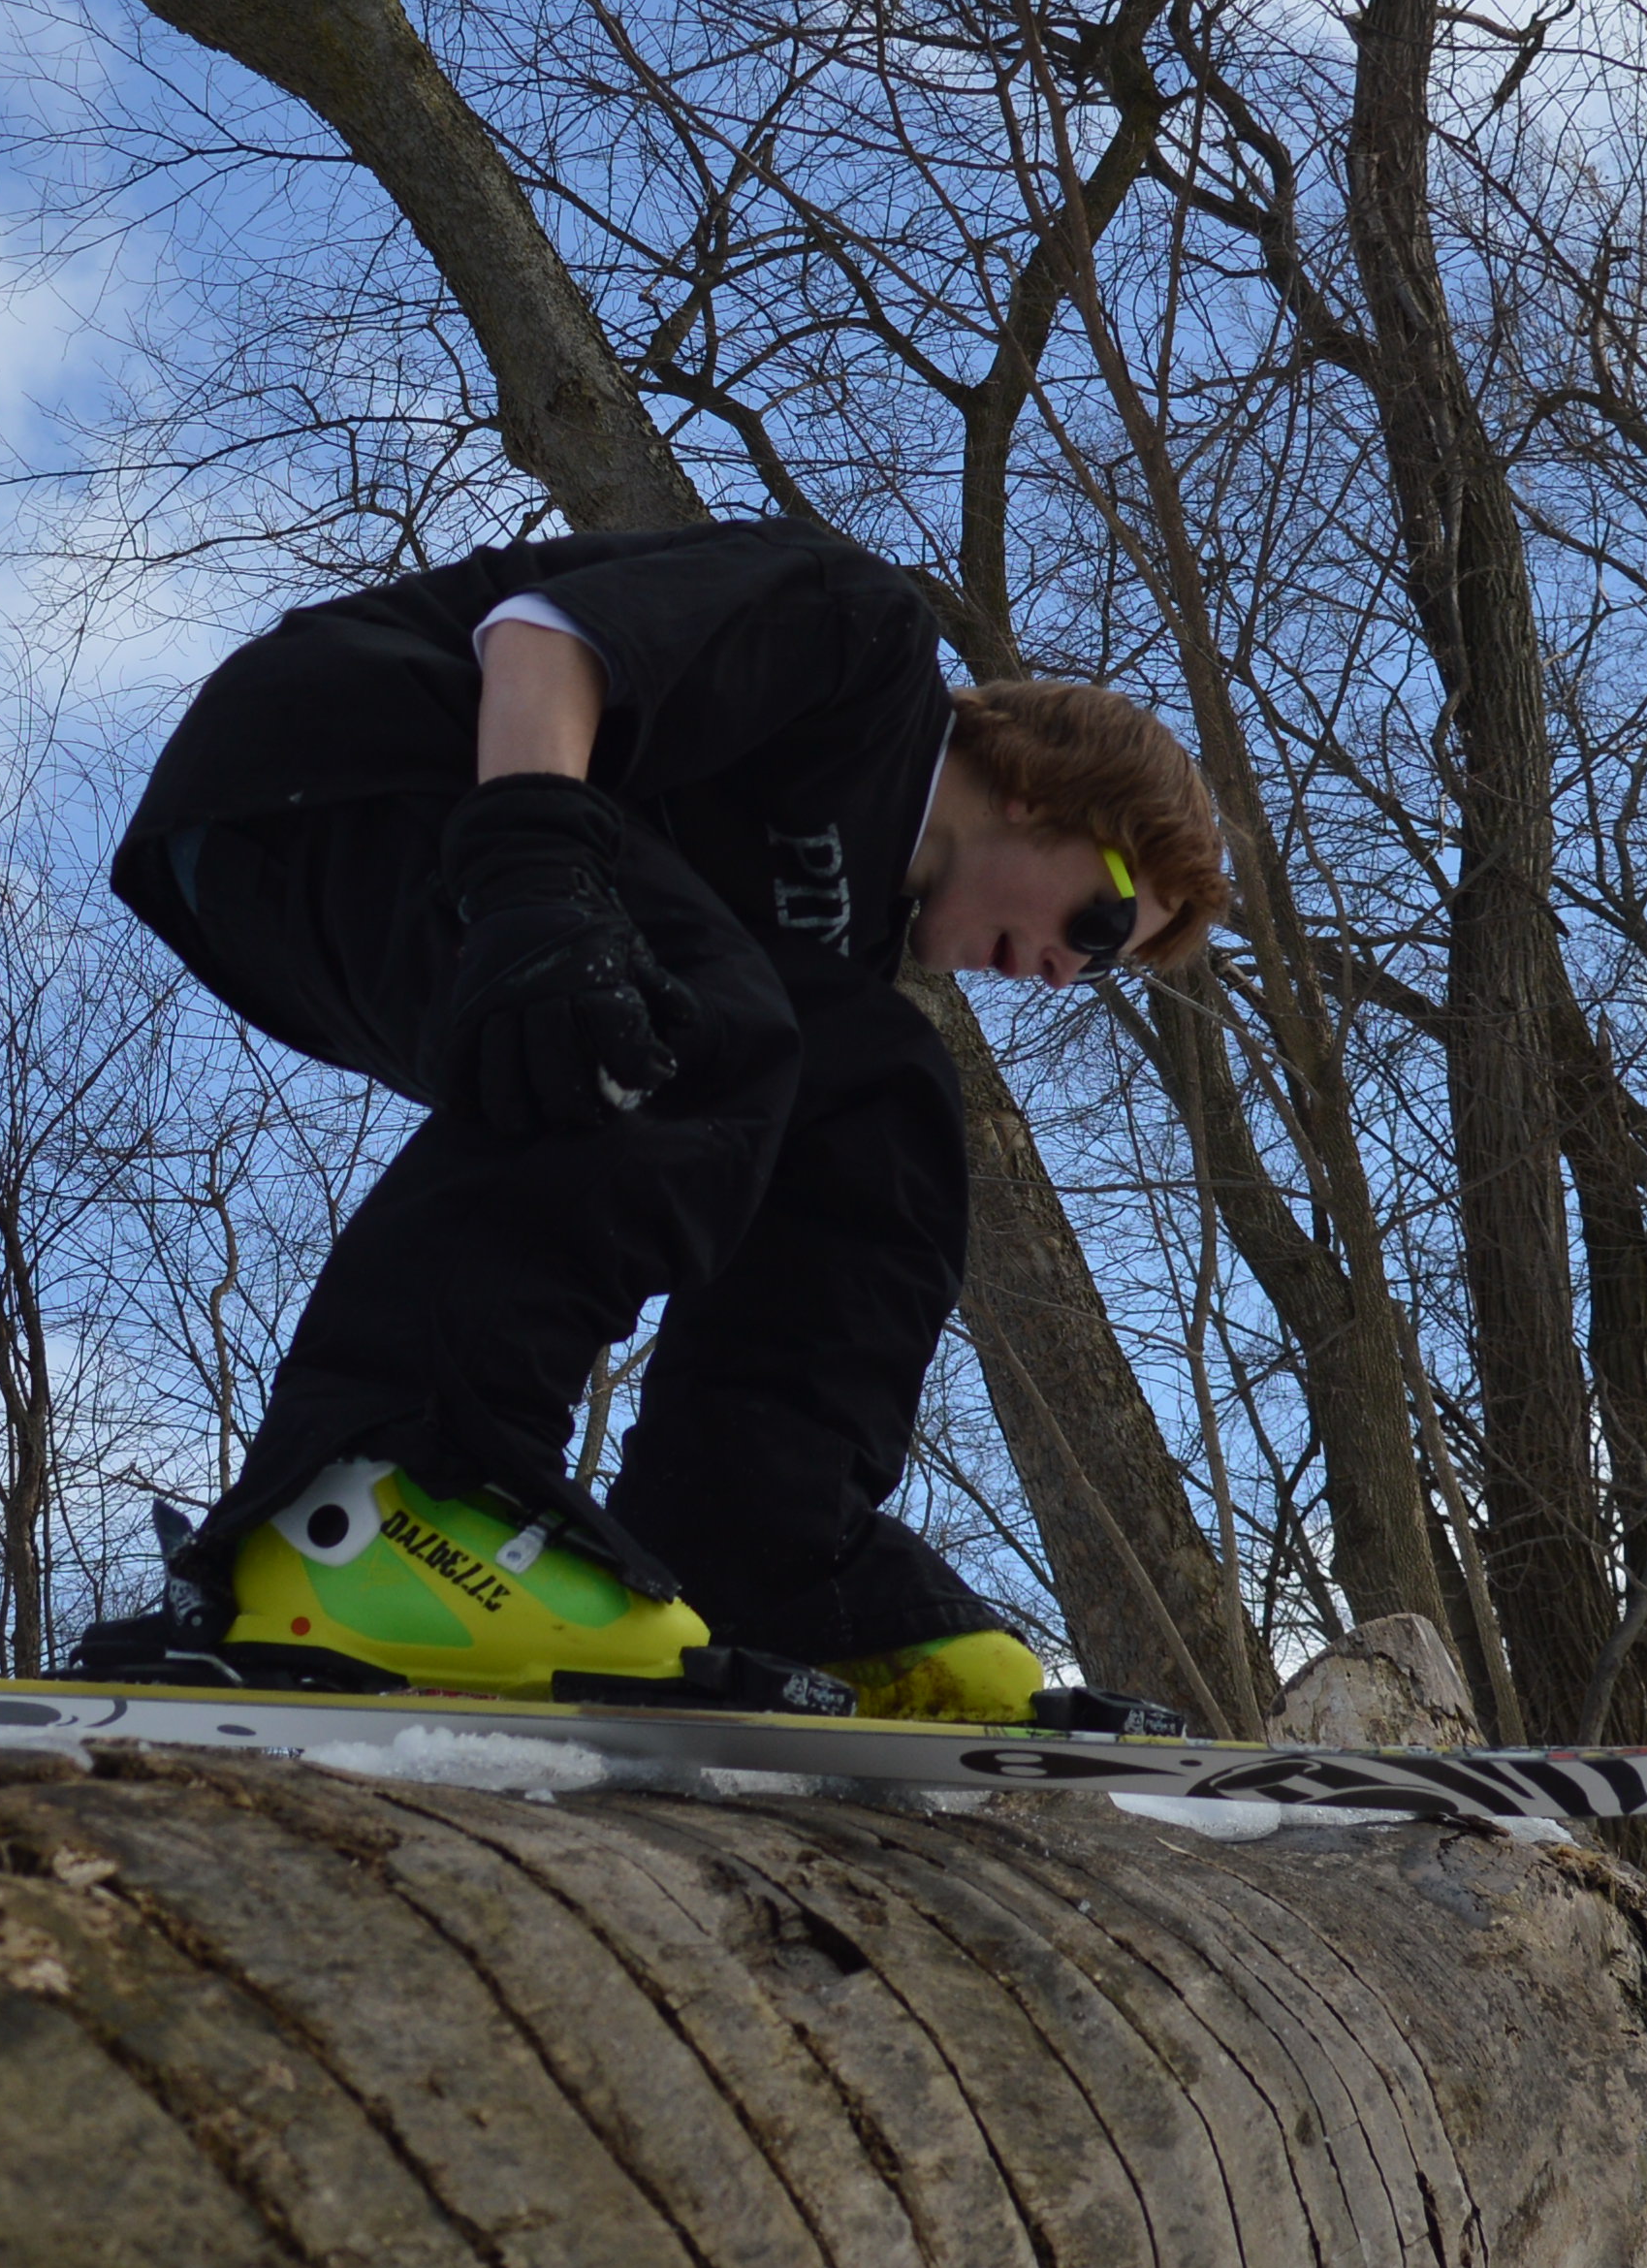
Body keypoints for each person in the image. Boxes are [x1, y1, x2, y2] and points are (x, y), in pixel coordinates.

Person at [85, 518, 1225, 1722]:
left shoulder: (846, 948)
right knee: (701, 1015)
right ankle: (374, 1495)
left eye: (1103, 971)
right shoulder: (859, 637)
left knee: (873, 1100)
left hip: (447, 883)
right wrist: (534, 880)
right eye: (1099, 926)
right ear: (1048, 787)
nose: (1063, 974)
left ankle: (763, 1564)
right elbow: (545, 642)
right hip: (339, 763)